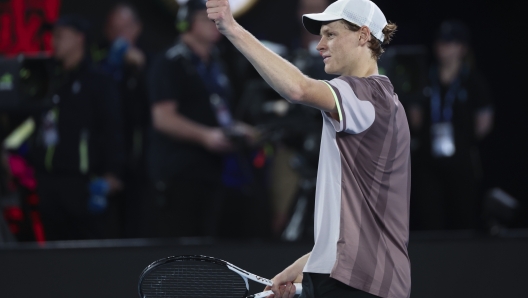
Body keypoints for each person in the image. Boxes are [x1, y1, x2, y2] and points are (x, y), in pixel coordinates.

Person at [206, 0, 410, 297]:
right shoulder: (385, 101)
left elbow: (298, 89)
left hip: (360, 285)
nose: (319, 45)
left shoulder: (368, 95)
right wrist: (304, 270)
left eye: (331, 34)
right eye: (320, 35)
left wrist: (232, 29)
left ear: (363, 36)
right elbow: (355, 231)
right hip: (357, 281)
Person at [147, 0, 256, 238]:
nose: (215, 25)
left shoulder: (217, 62)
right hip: (181, 173)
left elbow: (220, 111)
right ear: (187, 22)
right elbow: (162, 118)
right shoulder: (170, 62)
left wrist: (238, 130)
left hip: (215, 172)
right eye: (208, 19)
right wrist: (205, 136)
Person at [29, 16, 125, 240]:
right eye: (54, 36)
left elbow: (113, 130)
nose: (54, 41)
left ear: (79, 38)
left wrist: (113, 174)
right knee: (52, 256)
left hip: (83, 185)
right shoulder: (50, 80)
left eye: (61, 35)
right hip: (47, 182)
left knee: (85, 257)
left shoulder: (99, 81)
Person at [408, 20, 493, 230]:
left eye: (450, 43)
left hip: (461, 160)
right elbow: (414, 117)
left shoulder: (472, 80)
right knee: (430, 218)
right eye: (440, 42)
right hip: (428, 160)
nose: (443, 47)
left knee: (464, 217)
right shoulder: (425, 77)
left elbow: (484, 122)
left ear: (462, 48)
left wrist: (466, 141)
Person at [93, 3, 151, 238]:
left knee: (136, 225)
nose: (120, 35)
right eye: (115, 29)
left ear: (137, 29)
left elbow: (153, 110)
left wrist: (141, 69)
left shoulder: (149, 61)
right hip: (102, 159)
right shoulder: (97, 59)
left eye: (125, 28)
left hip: (137, 163)